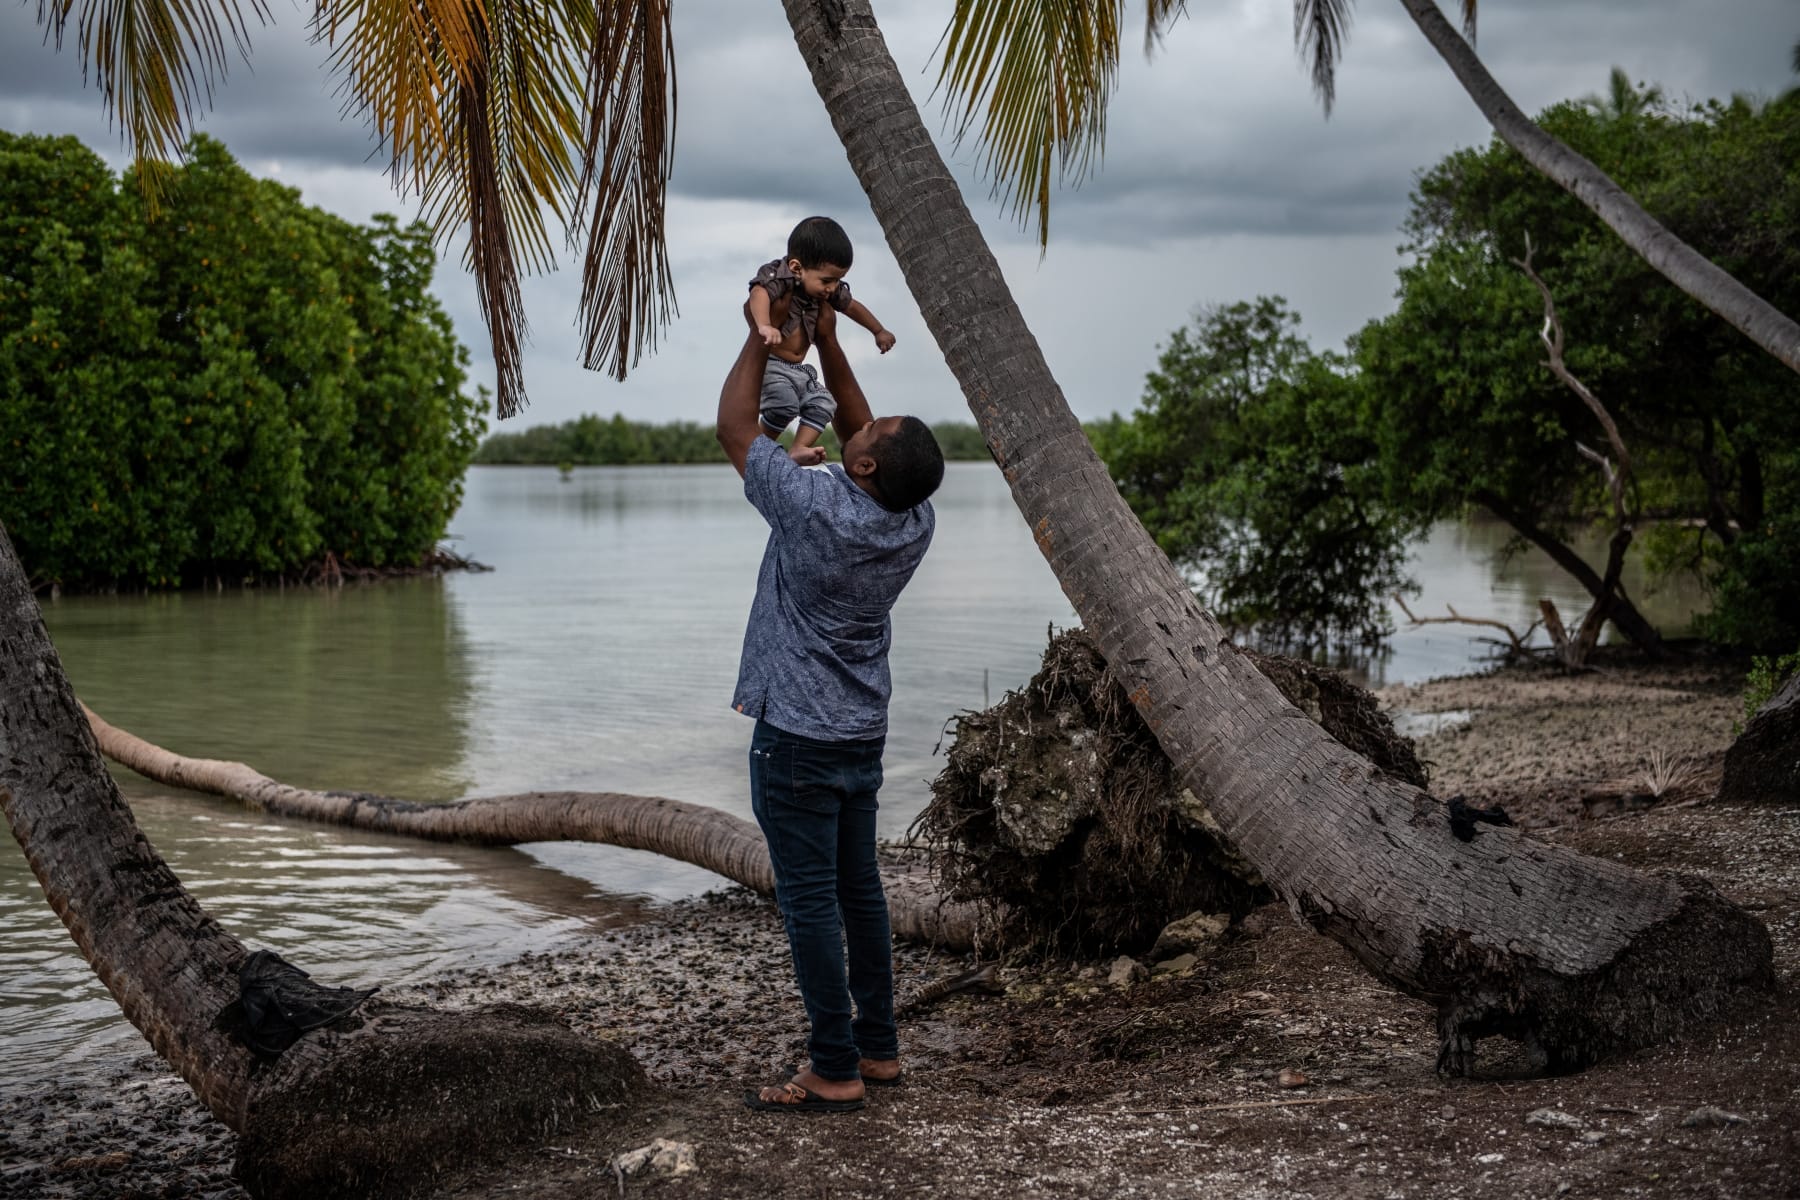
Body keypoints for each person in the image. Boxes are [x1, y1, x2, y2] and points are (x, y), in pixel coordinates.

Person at [715, 301, 944, 1113]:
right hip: (860, 734)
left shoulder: (813, 507)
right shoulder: (913, 519)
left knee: (811, 901)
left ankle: (833, 1067)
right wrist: (838, 343)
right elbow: (859, 433)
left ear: (868, 467)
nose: (862, 417)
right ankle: (877, 1051)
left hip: (797, 740)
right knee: (861, 893)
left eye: (874, 429)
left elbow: (736, 429)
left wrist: (764, 336)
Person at [747, 216, 896, 464]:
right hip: (772, 365)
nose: (832, 287)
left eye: (838, 280)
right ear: (796, 268)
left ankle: (798, 447)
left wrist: (878, 331)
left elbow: (851, 306)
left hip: (799, 369)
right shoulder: (778, 278)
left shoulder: (824, 288)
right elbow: (758, 293)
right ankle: (759, 445)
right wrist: (764, 325)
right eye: (827, 280)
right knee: (783, 405)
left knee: (825, 403)